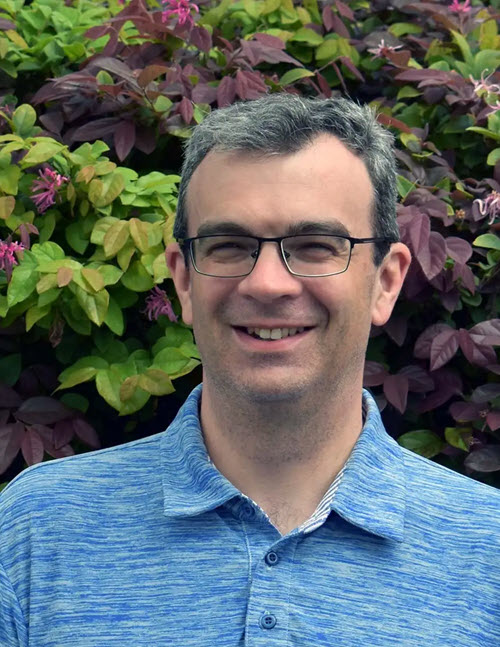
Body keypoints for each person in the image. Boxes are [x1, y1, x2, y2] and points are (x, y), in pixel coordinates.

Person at [1, 95, 499, 646]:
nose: (267, 284)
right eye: (229, 246)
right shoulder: (34, 533)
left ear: (385, 282)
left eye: (315, 246)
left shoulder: (488, 553)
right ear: (183, 280)